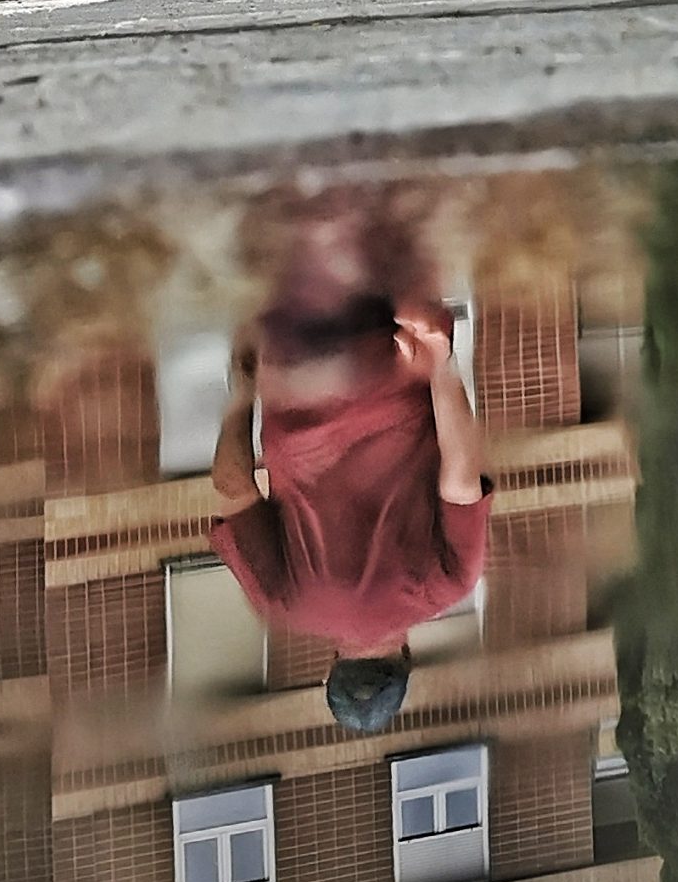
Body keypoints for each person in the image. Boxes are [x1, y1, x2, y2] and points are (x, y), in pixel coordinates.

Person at [210, 254, 491, 736]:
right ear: (330, 669)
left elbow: (461, 478)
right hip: (294, 370)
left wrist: (441, 364)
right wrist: (243, 391)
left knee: (378, 218)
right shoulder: (282, 603)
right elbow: (233, 484)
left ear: (407, 659)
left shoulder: (449, 583)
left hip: (387, 359)